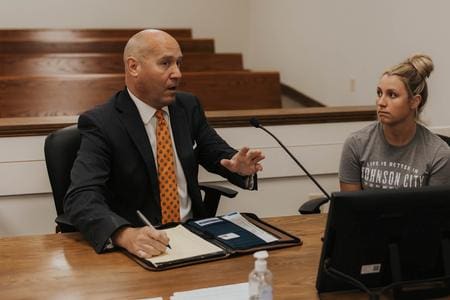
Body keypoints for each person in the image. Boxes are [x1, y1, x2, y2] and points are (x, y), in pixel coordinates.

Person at [64, 29, 265, 258]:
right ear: (133, 67)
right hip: (144, 243)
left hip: (196, 235)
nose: (177, 73)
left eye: (179, 63)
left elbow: (214, 150)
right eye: (166, 63)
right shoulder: (102, 122)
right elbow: (80, 196)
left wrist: (238, 165)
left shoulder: (187, 107)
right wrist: (124, 234)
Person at [339, 54, 450, 192]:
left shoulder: (438, 154)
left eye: (392, 95)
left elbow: (435, 211)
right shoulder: (356, 144)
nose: (381, 103)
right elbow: (350, 209)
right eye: (379, 93)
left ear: (414, 101)